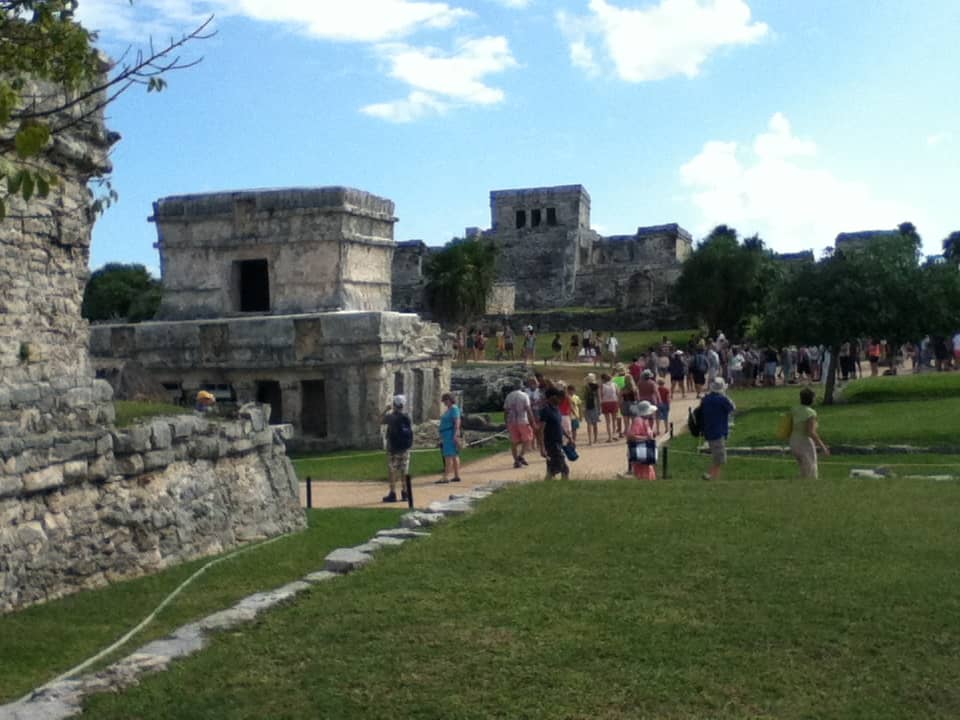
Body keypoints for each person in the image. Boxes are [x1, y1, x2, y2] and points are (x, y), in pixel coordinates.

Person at [789, 386, 830, 478]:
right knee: (811, 471)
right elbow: (811, 432)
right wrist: (823, 447)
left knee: (803, 469)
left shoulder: (794, 409)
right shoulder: (811, 413)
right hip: (804, 443)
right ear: (811, 399)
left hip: (793, 440)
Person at [701, 378, 736, 481]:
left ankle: (715, 477)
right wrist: (726, 396)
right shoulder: (722, 399)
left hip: (708, 429)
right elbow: (732, 408)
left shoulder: (706, 398)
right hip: (718, 430)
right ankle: (710, 475)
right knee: (720, 458)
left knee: (718, 456)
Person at [538, 387, 574, 480]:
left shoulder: (556, 409)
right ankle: (564, 486)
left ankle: (549, 481)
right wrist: (542, 448)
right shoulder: (546, 410)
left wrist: (568, 437)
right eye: (558, 397)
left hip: (558, 443)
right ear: (552, 397)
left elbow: (559, 426)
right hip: (551, 445)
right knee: (564, 469)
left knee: (552, 469)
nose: (560, 400)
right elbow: (541, 430)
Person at [381, 395, 412, 502]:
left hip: (393, 448)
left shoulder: (391, 417)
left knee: (392, 471)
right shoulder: (406, 416)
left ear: (394, 404)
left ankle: (393, 493)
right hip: (405, 448)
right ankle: (404, 493)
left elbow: (380, 420)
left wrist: (386, 409)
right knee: (404, 470)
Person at [504, 384, 535, 469]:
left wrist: (506, 422)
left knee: (514, 442)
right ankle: (521, 456)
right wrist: (532, 421)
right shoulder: (524, 395)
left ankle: (516, 461)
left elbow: (506, 411)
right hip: (522, 420)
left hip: (512, 421)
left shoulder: (508, 396)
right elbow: (528, 409)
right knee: (528, 438)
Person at [626, 400, 657, 480]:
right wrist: (646, 438)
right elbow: (631, 436)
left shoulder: (645, 420)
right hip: (641, 453)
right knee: (643, 474)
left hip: (646, 453)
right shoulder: (638, 421)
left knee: (648, 471)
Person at [437, 392, 462, 484]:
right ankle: (456, 475)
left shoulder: (454, 409)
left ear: (450, 399)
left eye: (446, 400)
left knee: (448, 455)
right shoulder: (450, 409)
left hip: (450, 434)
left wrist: (455, 434)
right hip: (447, 433)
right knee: (454, 455)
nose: (444, 402)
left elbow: (457, 422)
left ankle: (445, 476)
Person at [599, 372, 619, 443]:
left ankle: (610, 437)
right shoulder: (615, 384)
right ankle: (614, 435)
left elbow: (601, 396)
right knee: (614, 420)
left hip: (605, 403)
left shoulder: (602, 386)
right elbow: (618, 393)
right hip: (614, 402)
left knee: (608, 422)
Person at [583, 372, 601, 445]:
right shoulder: (597, 387)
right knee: (595, 423)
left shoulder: (585, 387)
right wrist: (600, 407)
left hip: (587, 405)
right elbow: (598, 397)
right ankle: (595, 439)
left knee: (589, 423)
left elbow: (583, 397)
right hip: (595, 405)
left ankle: (590, 440)